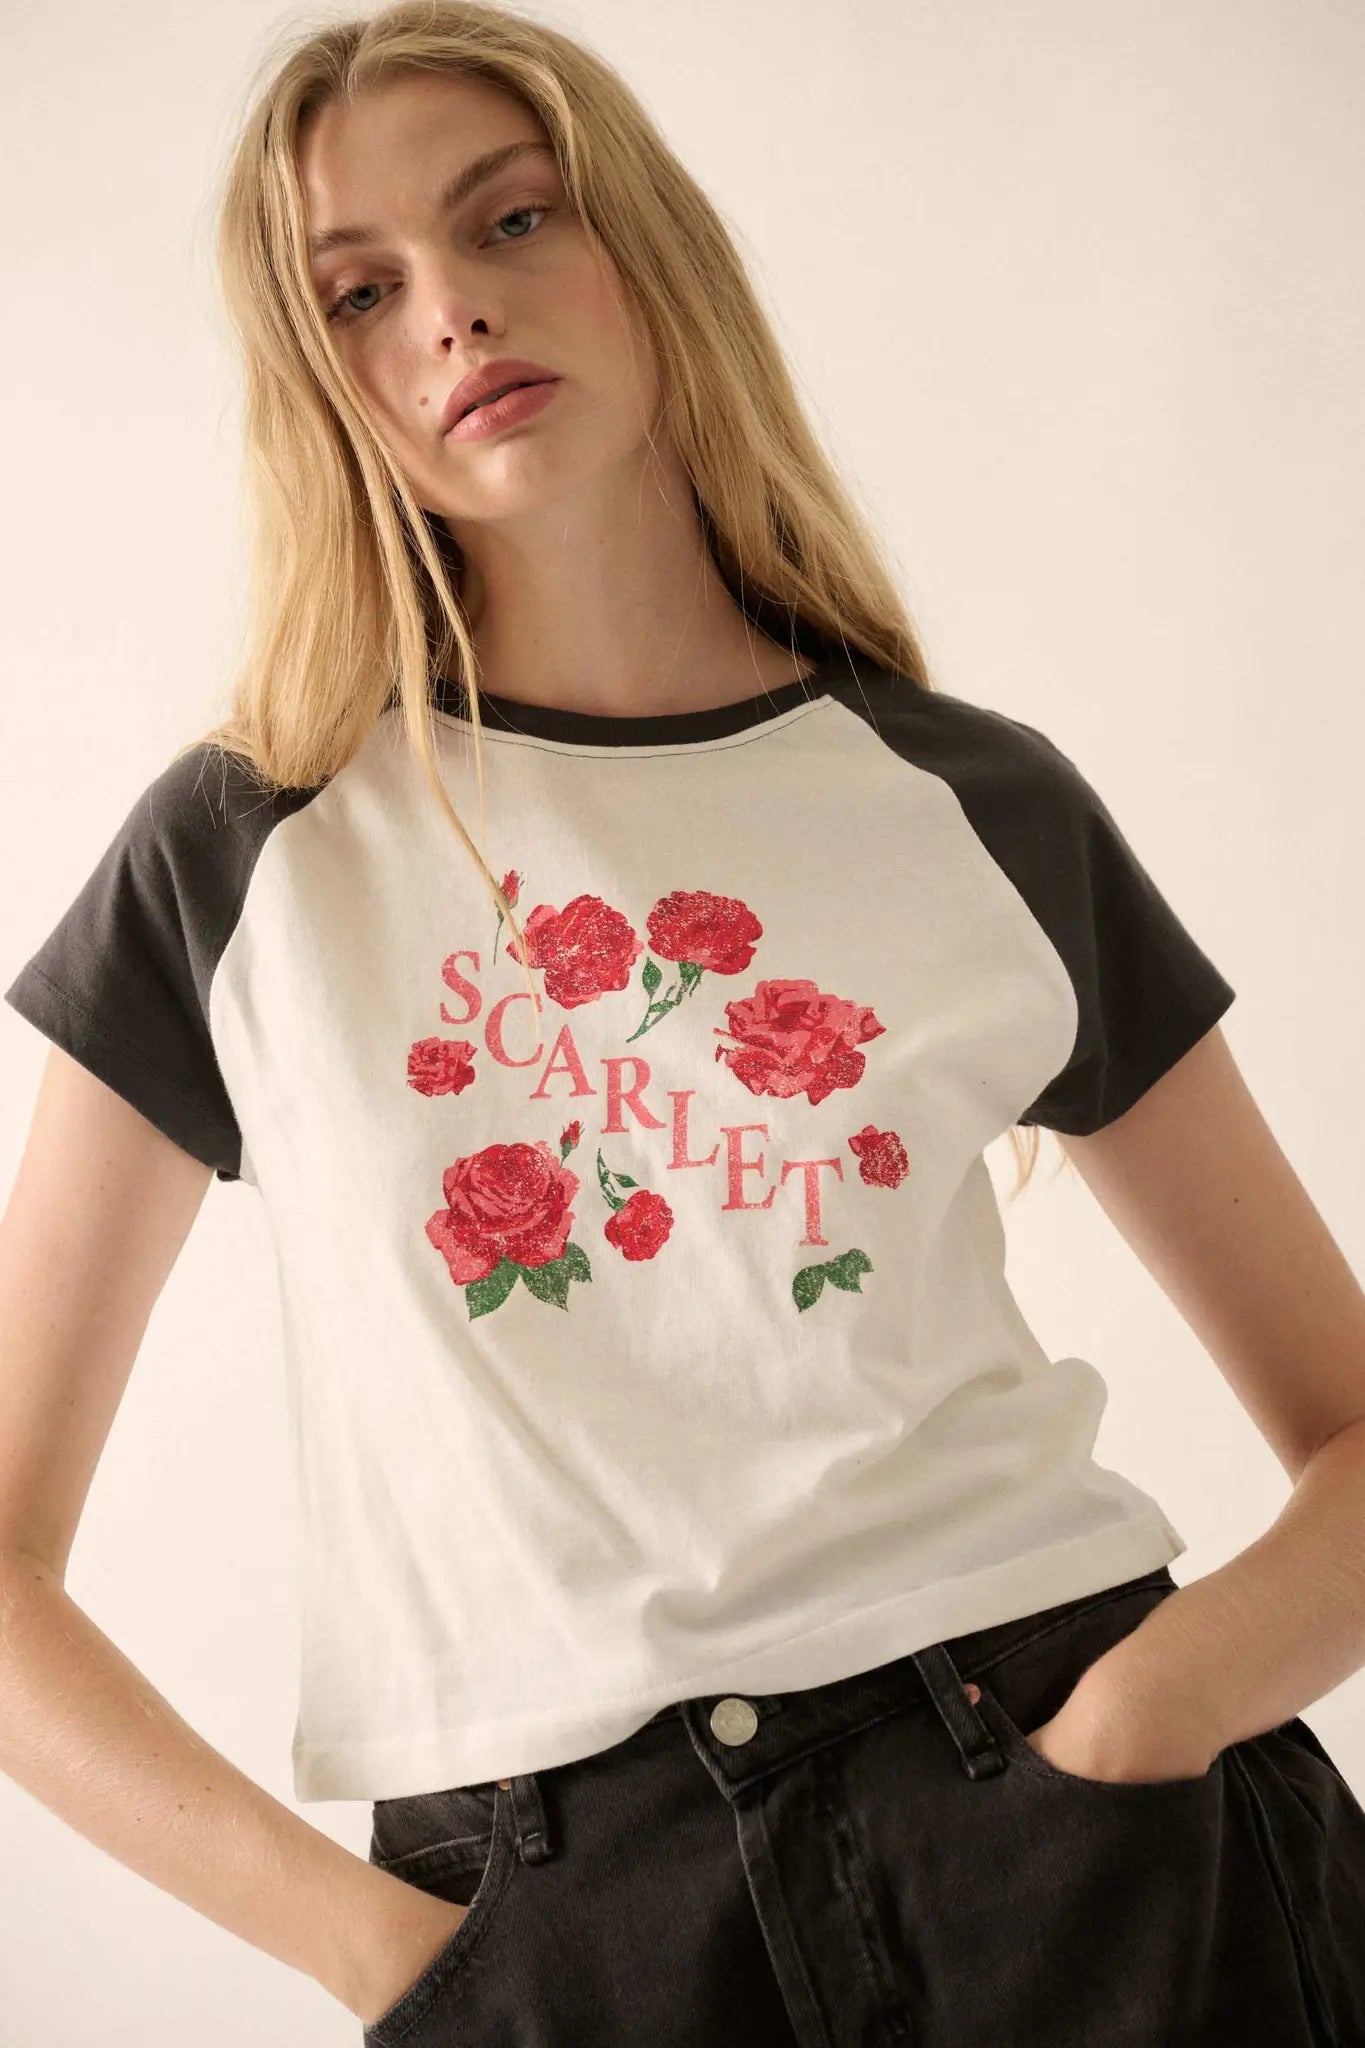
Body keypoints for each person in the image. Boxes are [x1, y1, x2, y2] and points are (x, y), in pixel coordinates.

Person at [2, 3, 1363, 2042]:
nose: (452, 311)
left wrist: (1147, 1717)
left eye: (511, 218)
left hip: (1071, 1827)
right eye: (359, 290)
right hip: (556, 1912)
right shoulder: (242, 848)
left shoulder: (972, 803)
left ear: (642, 242)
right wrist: (379, 1952)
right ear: (317, 376)